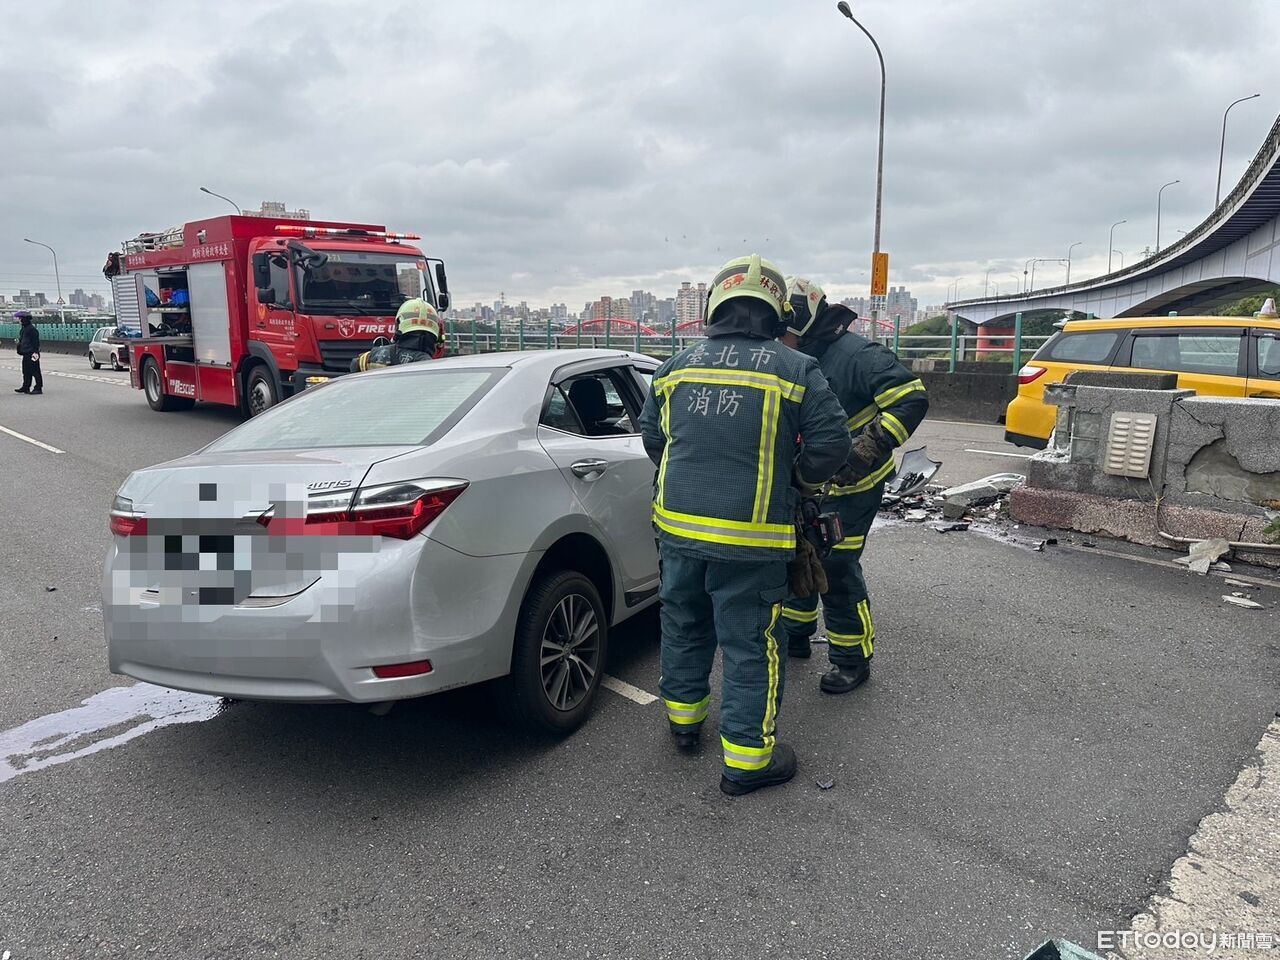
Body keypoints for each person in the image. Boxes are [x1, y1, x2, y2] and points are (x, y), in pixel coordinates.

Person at [639, 255, 850, 796]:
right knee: (751, 643)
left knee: (683, 623)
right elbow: (831, 446)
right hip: (753, 541)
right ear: (778, 311)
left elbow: (655, 442)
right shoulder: (795, 368)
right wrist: (796, 484)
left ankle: (684, 723)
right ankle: (749, 761)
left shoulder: (675, 367)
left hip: (678, 532)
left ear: (715, 306)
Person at [778, 278, 929, 694]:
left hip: (851, 487)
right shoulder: (790, 356)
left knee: (836, 566)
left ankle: (851, 658)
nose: (780, 336)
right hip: (803, 484)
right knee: (795, 555)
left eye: (785, 327)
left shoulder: (858, 355)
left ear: (805, 320)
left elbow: (910, 398)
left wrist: (869, 447)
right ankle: (796, 632)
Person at [349, 299, 445, 372]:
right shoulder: (428, 365)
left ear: (398, 324)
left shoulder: (369, 357)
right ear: (435, 330)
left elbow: (355, 365)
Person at [14, 312, 43, 395]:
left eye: (20, 319)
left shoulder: (32, 329)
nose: (19, 320)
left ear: (24, 319)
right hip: (25, 353)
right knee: (26, 371)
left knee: (35, 371)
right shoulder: (23, 329)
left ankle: (38, 387)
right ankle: (26, 387)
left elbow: (35, 342)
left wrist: (35, 352)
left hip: (32, 353)